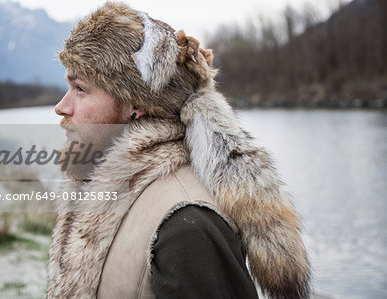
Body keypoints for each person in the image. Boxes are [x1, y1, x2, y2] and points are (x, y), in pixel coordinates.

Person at [47, 2, 311, 299]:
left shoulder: (187, 225)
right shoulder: (103, 189)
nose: (61, 107)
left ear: (136, 103)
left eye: (80, 88)